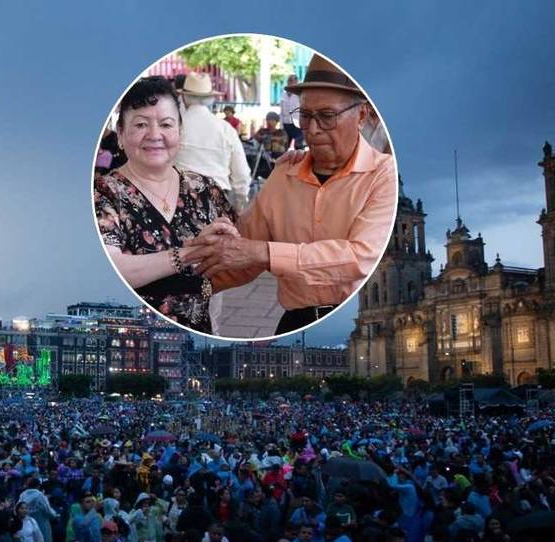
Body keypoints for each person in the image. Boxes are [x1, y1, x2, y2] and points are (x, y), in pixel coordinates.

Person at [184, 54, 396, 336]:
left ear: (362, 115)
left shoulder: (384, 175)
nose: (313, 129)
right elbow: (241, 256)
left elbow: (359, 258)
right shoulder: (284, 175)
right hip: (295, 321)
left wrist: (264, 253)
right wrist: (189, 280)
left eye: (327, 116)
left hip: (354, 321)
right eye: (306, 115)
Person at [93, 76, 241, 334]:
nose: (154, 135)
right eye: (140, 124)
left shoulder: (203, 188)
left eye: (166, 124)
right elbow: (113, 268)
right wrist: (190, 253)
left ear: (180, 132)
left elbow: (237, 242)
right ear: (120, 134)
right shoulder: (104, 193)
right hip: (137, 333)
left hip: (197, 335)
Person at [174, 73, 251, 212]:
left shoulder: (176, 127)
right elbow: (242, 173)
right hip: (217, 199)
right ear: (210, 99)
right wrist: (241, 201)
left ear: (184, 97)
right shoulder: (225, 129)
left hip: (180, 198)